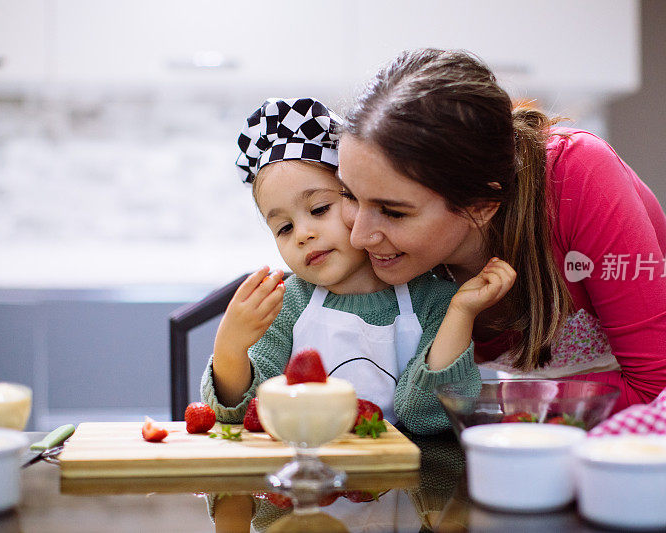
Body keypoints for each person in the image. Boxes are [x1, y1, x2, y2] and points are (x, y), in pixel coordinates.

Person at [336, 49, 666, 412]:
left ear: (481, 206)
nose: (358, 236)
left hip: (660, 406)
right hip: (542, 414)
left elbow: (664, 391)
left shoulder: (579, 178)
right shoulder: (383, 241)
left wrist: (502, 400)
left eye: (394, 212)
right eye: (349, 195)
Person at [200, 97, 503, 434]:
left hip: (405, 480)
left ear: (357, 199)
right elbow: (250, 413)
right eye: (284, 228)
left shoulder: (434, 298)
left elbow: (426, 417)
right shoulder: (287, 304)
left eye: (318, 209)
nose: (302, 234)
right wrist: (230, 348)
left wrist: (461, 313)